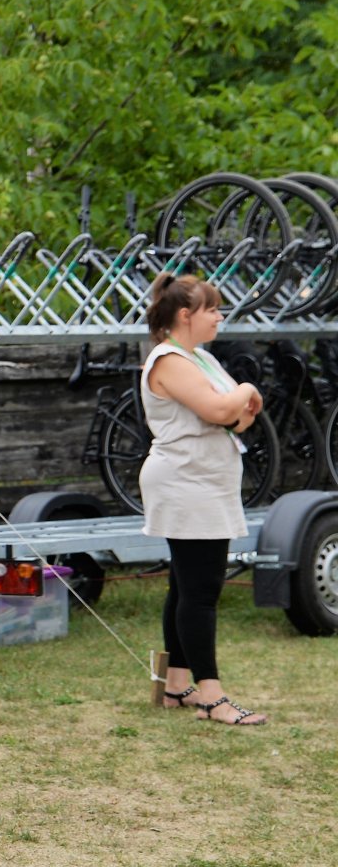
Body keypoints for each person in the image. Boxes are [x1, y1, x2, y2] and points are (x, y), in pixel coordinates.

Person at [141, 274, 269, 726]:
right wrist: (247, 392)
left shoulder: (201, 359)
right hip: (185, 483)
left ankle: (177, 687)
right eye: (212, 309)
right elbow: (222, 410)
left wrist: (238, 404)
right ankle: (213, 698)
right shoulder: (170, 360)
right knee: (202, 591)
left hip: (204, 482)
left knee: (184, 584)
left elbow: (238, 422)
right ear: (184, 315)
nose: (219, 316)